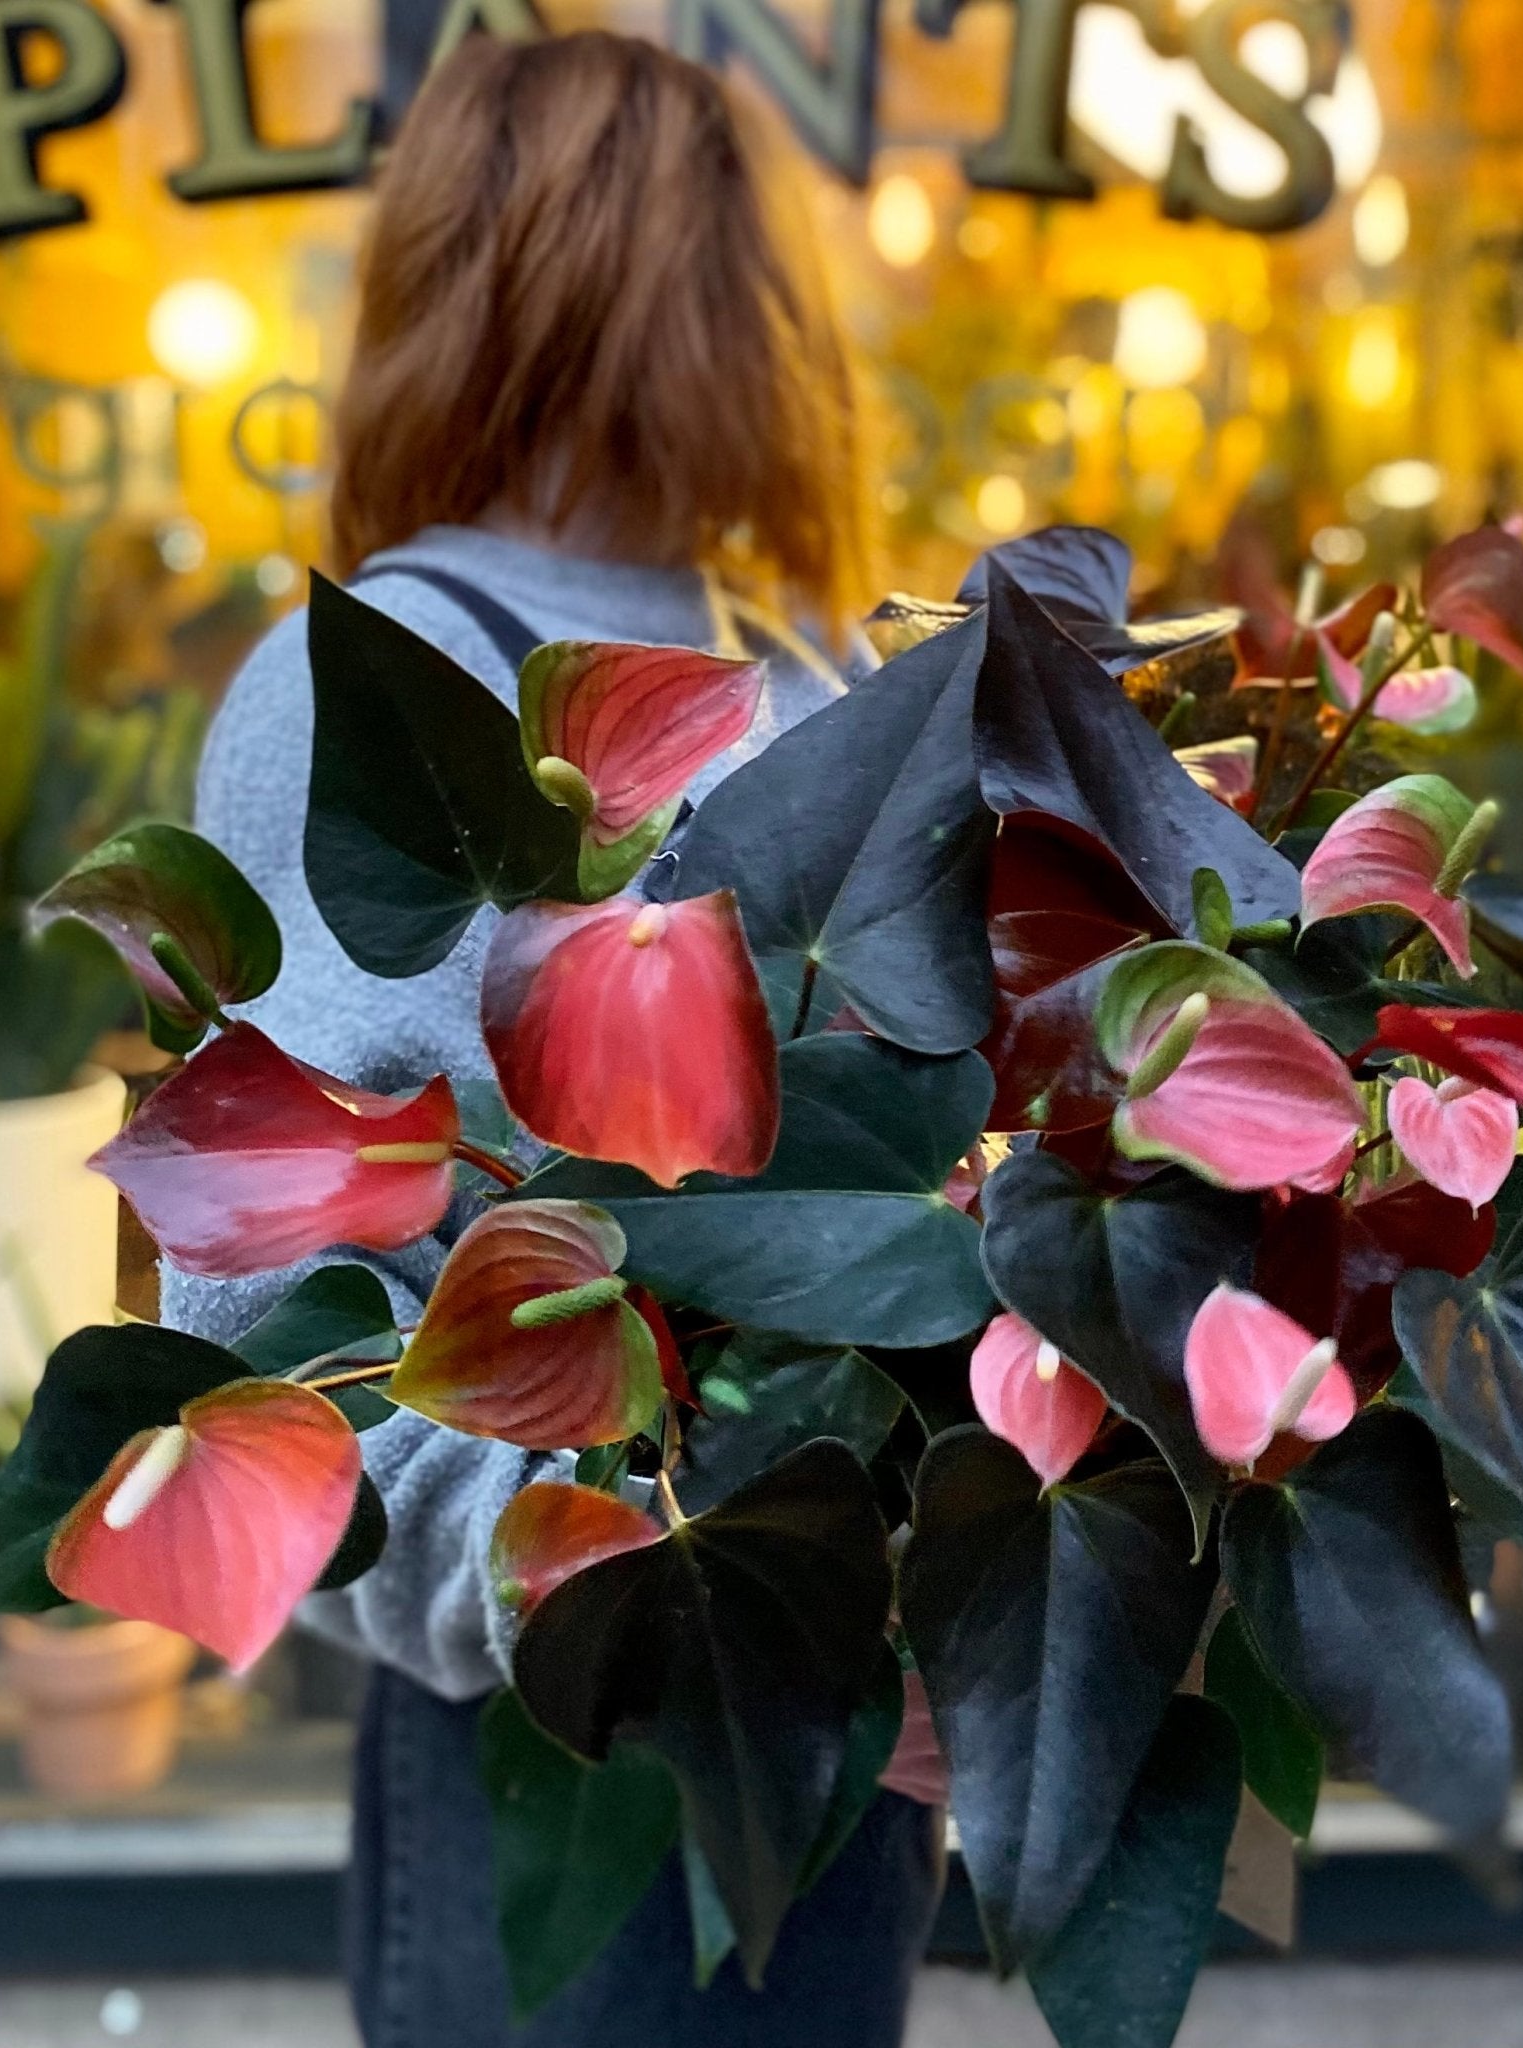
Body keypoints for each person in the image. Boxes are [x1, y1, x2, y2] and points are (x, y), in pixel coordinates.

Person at [163, 32, 942, 2048]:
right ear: (730, 296)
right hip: (581, 1725)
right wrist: (613, 1596)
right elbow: (265, 1321)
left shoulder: (802, 666)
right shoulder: (391, 682)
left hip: (825, 1744)